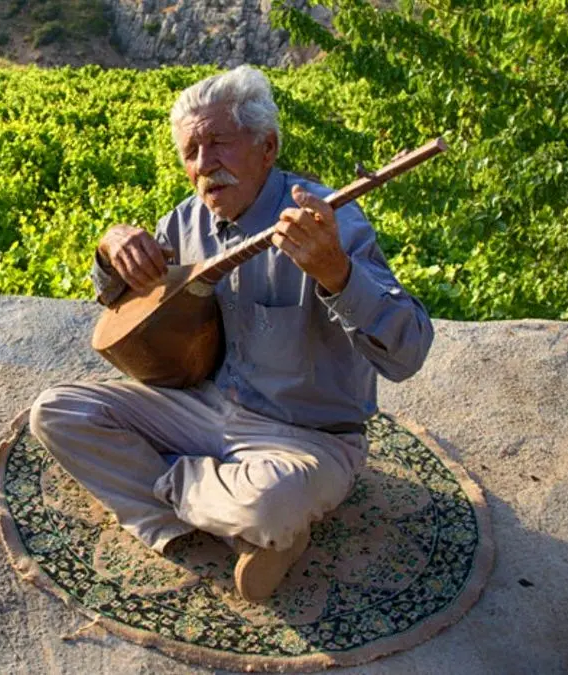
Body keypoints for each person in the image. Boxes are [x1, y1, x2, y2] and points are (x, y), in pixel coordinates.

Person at [28, 66, 434, 603]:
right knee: (56, 413)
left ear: (267, 146)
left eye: (218, 143)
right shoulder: (185, 223)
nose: (203, 166)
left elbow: (409, 354)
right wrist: (111, 251)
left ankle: (212, 504)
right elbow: (123, 304)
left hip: (308, 438)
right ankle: (227, 515)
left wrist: (338, 274)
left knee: (272, 502)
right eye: (190, 152)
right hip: (201, 410)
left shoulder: (333, 220)